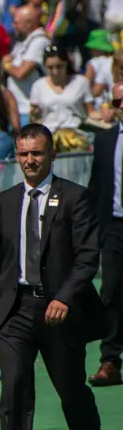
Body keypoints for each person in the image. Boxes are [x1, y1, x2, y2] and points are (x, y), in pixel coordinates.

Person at [0, 124, 116, 430]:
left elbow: (89, 256)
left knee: (71, 395)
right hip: (15, 312)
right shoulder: (6, 200)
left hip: (60, 315)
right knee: (14, 395)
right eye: (23, 154)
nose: (29, 161)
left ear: (52, 154)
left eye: (36, 153)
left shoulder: (74, 197)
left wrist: (65, 298)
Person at [86, 82, 123, 387]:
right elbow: (95, 186)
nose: (120, 105)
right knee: (110, 292)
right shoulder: (105, 140)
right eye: (116, 101)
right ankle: (110, 361)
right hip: (114, 227)